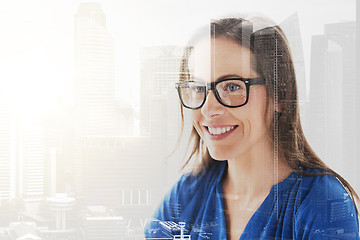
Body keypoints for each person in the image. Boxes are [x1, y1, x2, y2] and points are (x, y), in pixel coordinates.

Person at [145, 16, 359, 239]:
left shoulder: (323, 203)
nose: (208, 109)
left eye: (232, 86)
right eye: (198, 88)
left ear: (280, 96)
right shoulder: (185, 195)